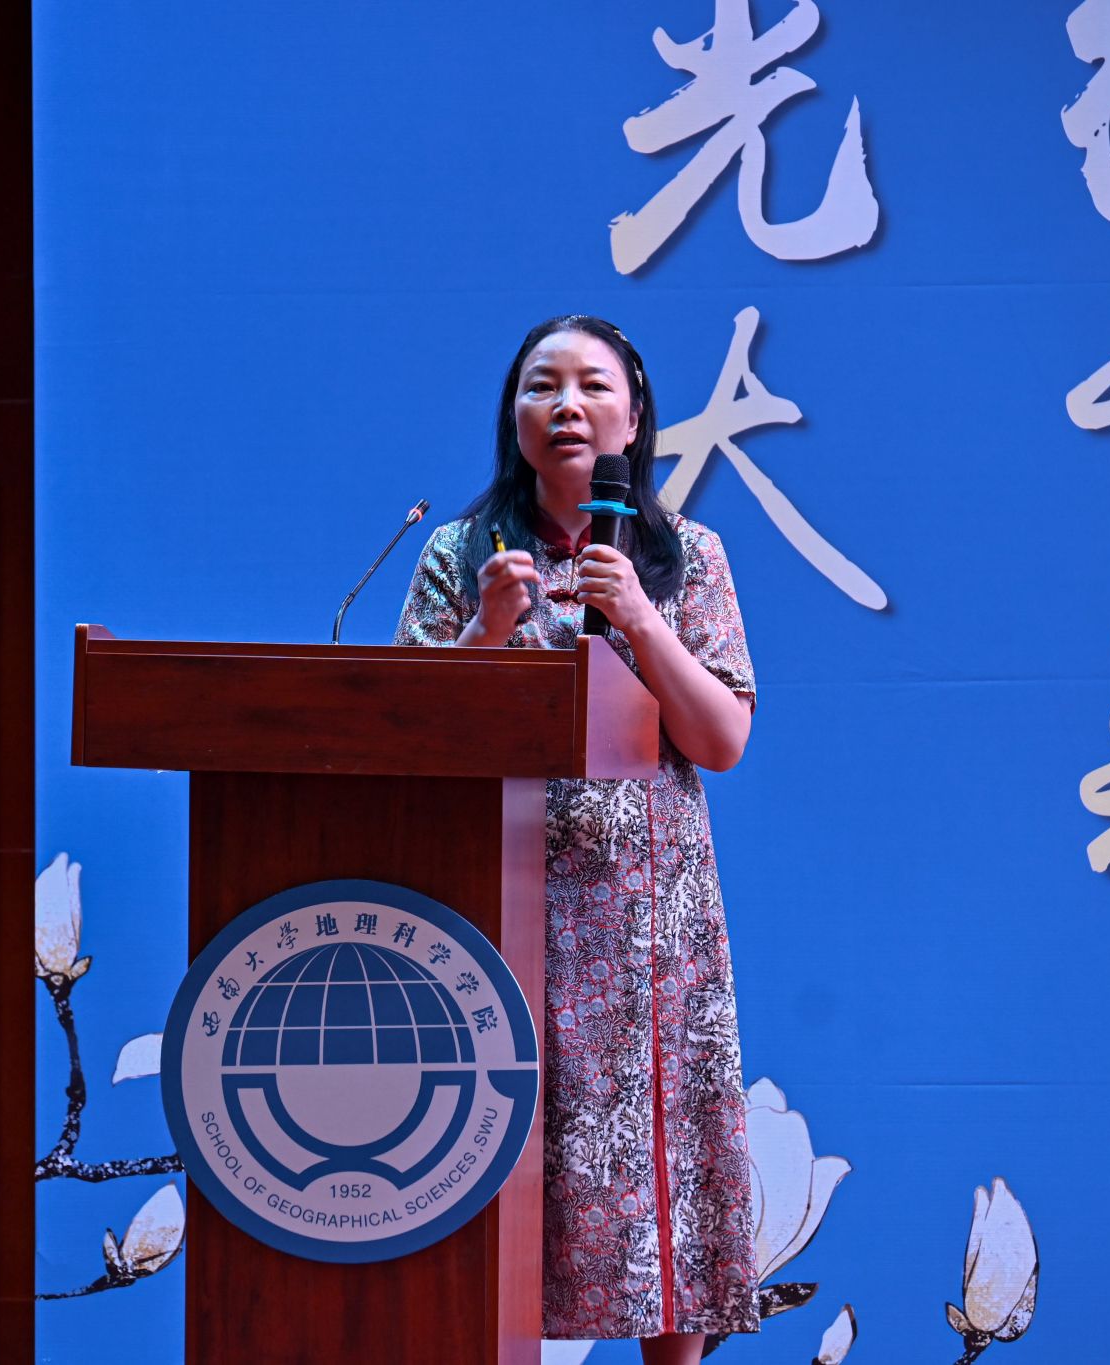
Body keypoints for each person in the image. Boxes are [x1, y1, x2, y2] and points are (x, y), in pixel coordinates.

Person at [394, 316, 759, 1364]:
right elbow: (405, 737)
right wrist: (484, 633)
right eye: (539, 386)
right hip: (494, 909)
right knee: (495, 1151)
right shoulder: (460, 553)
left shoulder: (685, 555)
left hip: (649, 916)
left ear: (633, 419)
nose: (564, 406)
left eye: (592, 386)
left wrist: (641, 619)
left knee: (666, 1158)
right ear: (512, 417)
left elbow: (721, 739)